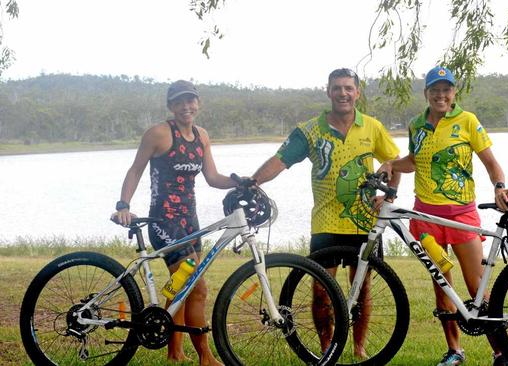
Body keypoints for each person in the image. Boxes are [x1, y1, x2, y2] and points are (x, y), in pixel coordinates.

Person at [250, 68, 401, 359]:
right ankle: (326, 349)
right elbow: (280, 160)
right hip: (326, 222)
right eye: (337, 88)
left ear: (357, 92)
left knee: (363, 290)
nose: (343, 93)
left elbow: (394, 161)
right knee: (321, 292)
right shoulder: (309, 130)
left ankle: (359, 348)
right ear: (328, 91)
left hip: (363, 221)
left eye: (348, 88)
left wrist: (390, 194)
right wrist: (253, 182)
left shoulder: (372, 127)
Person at [377, 66, 508, 366]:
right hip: (426, 218)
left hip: (462, 215)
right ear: (426, 93)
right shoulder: (416, 125)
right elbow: (413, 161)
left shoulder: (467, 121)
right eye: (434, 90)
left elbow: (491, 163)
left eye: (446, 89)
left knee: (477, 286)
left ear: (454, 93)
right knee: (442, 284)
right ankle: (454, 351)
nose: (440, 95)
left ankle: (502, 352)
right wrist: (391, 164)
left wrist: (500, 187)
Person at [112, 80, 235, 366]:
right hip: (163, 221)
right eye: (179, 102)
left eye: (191, 101)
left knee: (181, 286)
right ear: (171, 106)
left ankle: (174, 352)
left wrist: (241, 181)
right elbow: (135, 170)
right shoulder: (158, 133)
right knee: (197, 286)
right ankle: (205, 356)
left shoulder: (202, 136)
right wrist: (123, 205)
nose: (186, 106)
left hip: (190, 222)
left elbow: (213, 178)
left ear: (198, 103)